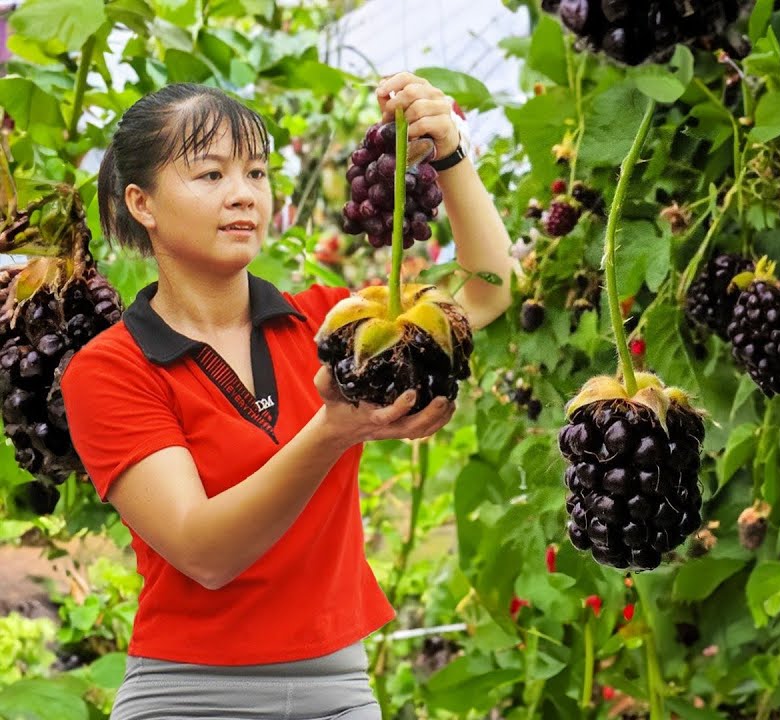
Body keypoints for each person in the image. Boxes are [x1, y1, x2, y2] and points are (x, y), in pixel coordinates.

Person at [60, 73, 515, 719]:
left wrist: (449, 153)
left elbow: (488, 291)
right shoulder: (110, 369)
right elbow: (204, 552)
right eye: (210, 175)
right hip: (188, 696)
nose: (243, 194)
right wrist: (332, 432)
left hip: (339, 691)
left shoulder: (331, 325)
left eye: (256, 172)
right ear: (143, 203)